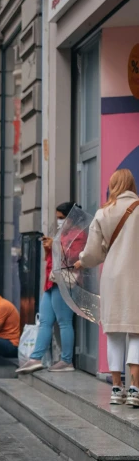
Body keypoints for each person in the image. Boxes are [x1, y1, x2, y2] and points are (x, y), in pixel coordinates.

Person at [75, 169, 139, 407]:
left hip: (112, 277)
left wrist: (81, 260)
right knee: (136, 331)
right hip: (137, 277)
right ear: (132, 184)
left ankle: (115, 387)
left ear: (113, 185)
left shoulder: (103, 212)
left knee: (113, 332)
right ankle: (135, 389)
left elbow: (92, 253)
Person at [17, 202, 80, 374]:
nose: (59, 221)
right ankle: (35, 358)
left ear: (70, 217)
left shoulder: (77, 235)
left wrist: (55, 245)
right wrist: (49, 247)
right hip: (51, 282)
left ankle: (67, 361)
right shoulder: (62, 234)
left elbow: (74, 256)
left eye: (61, 217)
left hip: (64, 283)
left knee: (64, 321)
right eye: (58, 218)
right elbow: (51, 259)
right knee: (44, 321)